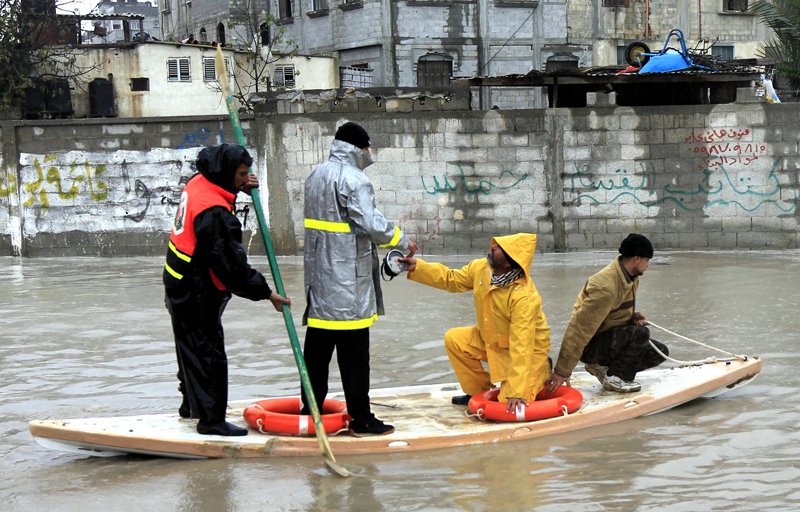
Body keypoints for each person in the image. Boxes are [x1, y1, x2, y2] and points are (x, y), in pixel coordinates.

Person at [164, 143, 291, 436]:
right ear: (226, 172)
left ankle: (189, 406)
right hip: (195, 286)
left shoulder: (200, 180)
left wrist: (239, 188)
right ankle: (210, 420)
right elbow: (231, 267)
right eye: (241, 174)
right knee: (208, 352)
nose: (244, 179)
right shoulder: (215, 213)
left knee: (189, 344)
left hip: (177, 275)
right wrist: (265, 292)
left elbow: (221, 193)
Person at [301, 122, 418, 437]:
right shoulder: (355, 180)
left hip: (319, 280)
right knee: (354, 358)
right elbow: (372, 225)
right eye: (368, 148)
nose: (370, 154)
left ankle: (309, 412)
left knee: (316, 352)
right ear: (358, 148)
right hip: (347, 284)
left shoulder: (315, 176)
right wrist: (403, 240)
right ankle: (362, 419)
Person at [401, 233, 552, 413]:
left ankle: (542, 370)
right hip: (493, 340)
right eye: (496, 244)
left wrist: (516, 392)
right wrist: (418, 267)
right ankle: (477, 393)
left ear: (509, 263)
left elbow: (523, 345)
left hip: (527, 354)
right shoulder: (481, 268)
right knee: (455, 340)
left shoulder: (524, 297)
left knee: (509, 404)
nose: (493, 247)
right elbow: (452, 279)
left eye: (500, 249)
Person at [545, 233, 668, 394]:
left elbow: (612, 311)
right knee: (641, 333)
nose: (648, 265)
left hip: (607, 339)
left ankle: (606, 370)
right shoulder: (605, 287)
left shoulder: (631, 276)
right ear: (636, 259)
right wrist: (562, 371)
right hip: (591, 346)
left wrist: (631, 316)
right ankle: (615, 377)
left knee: (659, 352)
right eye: (647, 260)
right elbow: (578, 330)